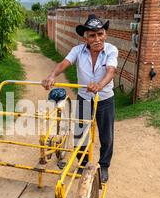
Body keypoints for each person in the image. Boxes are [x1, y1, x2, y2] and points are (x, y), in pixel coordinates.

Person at [42, 13, 118, 183]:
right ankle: (83, 164)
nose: (97, 39)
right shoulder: (78, 50)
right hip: (84, 97)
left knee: (106, 135)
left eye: (100, 34)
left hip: (105, 99)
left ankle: (104, 166)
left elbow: (111, 71)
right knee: (79, 133)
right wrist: (52, 75)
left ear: (105, 34)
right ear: (86, 38)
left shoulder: (111, 50)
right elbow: (64, 63)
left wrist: (99, 85)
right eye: (92, 35)